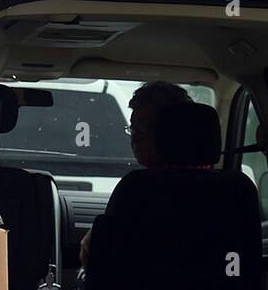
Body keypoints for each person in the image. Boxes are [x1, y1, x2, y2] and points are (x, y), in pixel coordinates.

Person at [80, 81, 194, 268]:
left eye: (145, 126)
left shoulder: (138, 189)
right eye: (133, 127)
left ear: (173, 129)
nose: (135, 135)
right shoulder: (234, 191)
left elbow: (96, 263)